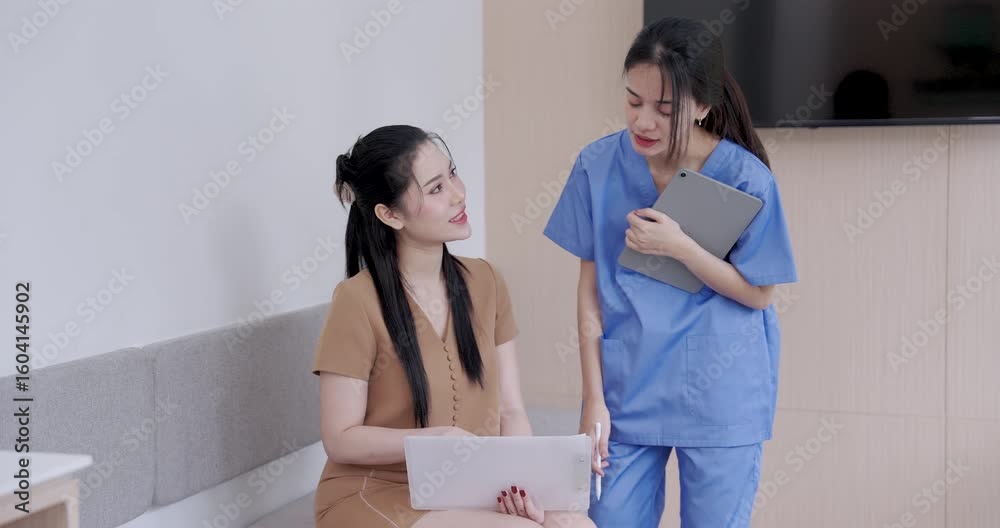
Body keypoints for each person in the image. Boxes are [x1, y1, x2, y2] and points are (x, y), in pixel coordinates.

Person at [543, 17, 798, 528]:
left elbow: (760, 295)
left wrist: (681, 248)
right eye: (633, 100)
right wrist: (593, 399)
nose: (643, 122)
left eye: (664, 109)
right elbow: (589, 291)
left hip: (721, 390)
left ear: (702, 107)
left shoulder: (746, 178)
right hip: (628, 390)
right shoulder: (597, 165)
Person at [311, 124, 595, 528]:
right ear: (390, 214)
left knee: (576, 525)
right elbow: (340, 438)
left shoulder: (486, 282)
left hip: (465, 487)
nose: (459, 194)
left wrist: (524, 488)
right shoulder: (356, 300)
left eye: (453, 174)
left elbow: (511, 411)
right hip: (375, 492)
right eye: (435, 189)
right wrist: (434, 441)